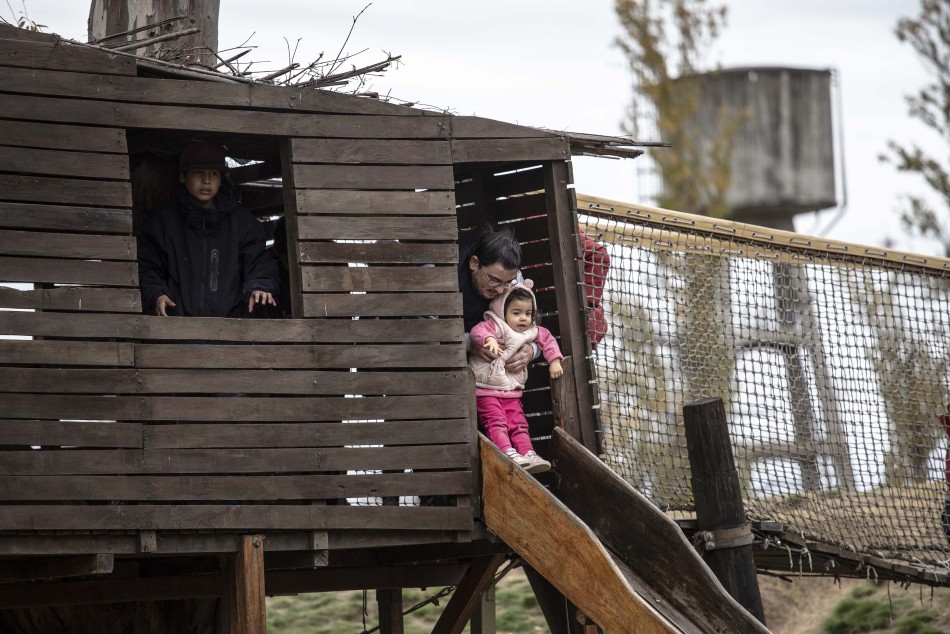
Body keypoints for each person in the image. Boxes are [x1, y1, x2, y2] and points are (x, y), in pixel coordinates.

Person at [137, 141, 279, 317]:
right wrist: (157, 295)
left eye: (213, 173)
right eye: (198, 173)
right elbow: (148, 268)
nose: (206, 180)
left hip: (232, 331)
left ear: (221, 179)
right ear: (183, 176)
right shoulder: (162, 223)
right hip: (177, 330)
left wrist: (259, 285)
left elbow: (258, 261)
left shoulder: (242, 222)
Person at [468, 279, 564, 474]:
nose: (523, 319)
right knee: (496, 422)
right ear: (503, 311)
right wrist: (489, 339)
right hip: (486, 389)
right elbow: (477, 332)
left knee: (519, 424)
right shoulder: (495, 324)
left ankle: (528, 452)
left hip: (511, 392)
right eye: (516, 313)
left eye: (528, 314)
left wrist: (554, 360)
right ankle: (506, 451)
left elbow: (548, 340)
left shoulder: (532, 331)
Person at [459, 227, 535, 373]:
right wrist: (471, 345)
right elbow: (428, 333)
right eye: (494, 280)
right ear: (474, 263)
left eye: (506, 283)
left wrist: (531, 350)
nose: (500, 290)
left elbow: (533, 328)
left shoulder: (516, 281)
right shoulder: (448, 271)